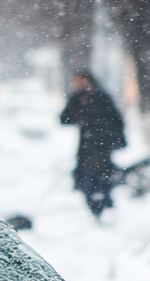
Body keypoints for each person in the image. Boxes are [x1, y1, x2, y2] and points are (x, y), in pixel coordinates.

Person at [59, 73, 126, 220]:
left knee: (103, 174)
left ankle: (104, 201)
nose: (78, 85)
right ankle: (95, 203)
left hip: (104, 143)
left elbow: (116, 119)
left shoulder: (102, 97)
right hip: (87, 144)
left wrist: (120, 139)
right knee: (86, 175)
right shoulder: (77, 99)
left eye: (80, 81)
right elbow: (64, 118)